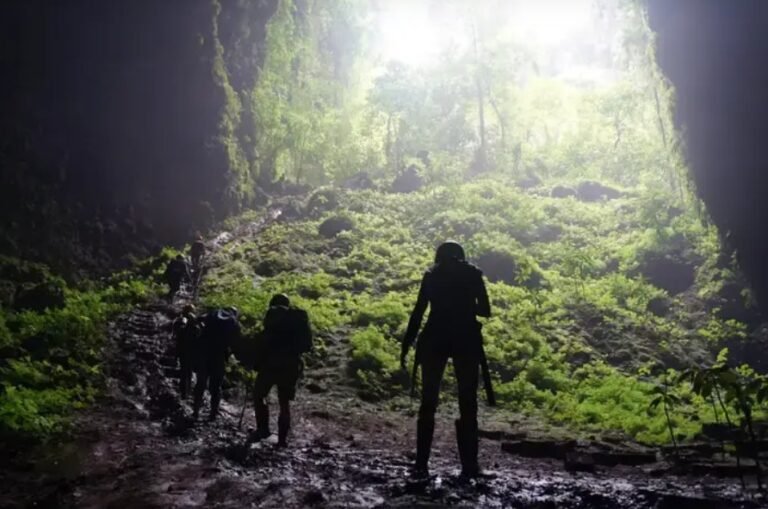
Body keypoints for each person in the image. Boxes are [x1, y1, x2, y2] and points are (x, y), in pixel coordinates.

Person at [400, 241, 491, 478]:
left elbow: (418, 312)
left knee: (428, 402)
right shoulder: (472, 274)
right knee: (468, 403)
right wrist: (465, 306)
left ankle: (421, 464)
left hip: (434, 338)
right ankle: (469, 466)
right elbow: (486, 310)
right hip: (466, 339)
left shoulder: (431, 275)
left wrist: (406, 343)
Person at [252, 294, 312, 447]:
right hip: (291, 365)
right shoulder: (298, 318)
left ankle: (263, 429)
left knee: (259, 395)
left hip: (270, 363)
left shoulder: (272, 315)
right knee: (284, 403)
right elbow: (307, 346)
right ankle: (282, 441)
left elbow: (264, 339)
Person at [193, 306, 241, 421]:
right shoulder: (233, 322)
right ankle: (213, 414)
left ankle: (195, 412)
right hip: (219, 356)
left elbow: (197, 319)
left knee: (200, 384)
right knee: (216, 386)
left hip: (204, 353)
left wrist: (203, 332)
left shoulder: (213, 314)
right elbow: (236, 341)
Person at [172, 304, 200, 399]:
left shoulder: (181, 324)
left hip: (184, 351)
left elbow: (177, 339)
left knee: (184, 372)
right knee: (188, 372)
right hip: (191, 352)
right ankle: (186, 392)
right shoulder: (196, 328)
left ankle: (184, 392)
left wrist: (176, 355)